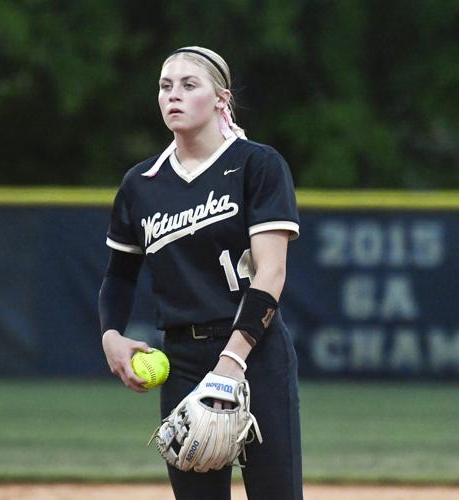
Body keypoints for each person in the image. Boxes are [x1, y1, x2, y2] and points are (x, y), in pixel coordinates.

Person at [98, 46, 303, 500]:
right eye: (165, 86)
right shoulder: (141, 183)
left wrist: (232, 362)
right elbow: (119, 276)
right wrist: (111, 335)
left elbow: (271, 274)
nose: (174, 95)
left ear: (219, 99)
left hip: (256, 356)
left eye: (190, 85)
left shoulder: (257, 165)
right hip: (183, 363)